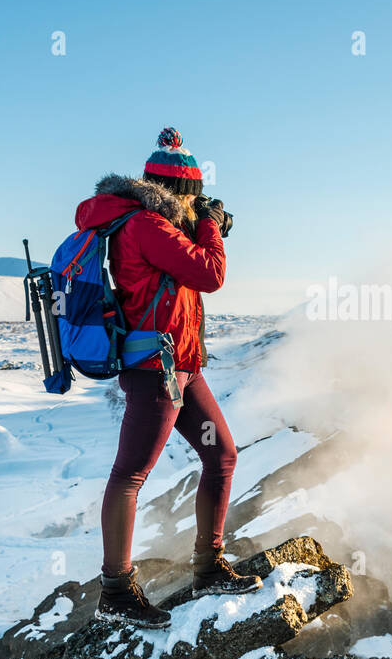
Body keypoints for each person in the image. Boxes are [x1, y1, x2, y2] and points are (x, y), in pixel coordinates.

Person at [76, 128, 261, 629]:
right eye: (194, 196)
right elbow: (210, 273)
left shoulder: (157, 226)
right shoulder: (146, 227)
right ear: (179, 193)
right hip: (155, 370)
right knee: (130, 474)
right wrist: (211, 226)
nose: (199, 205)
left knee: (221, 453)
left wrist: (203, 224)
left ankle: (208, 566)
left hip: (182, 365)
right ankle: (115, 589)